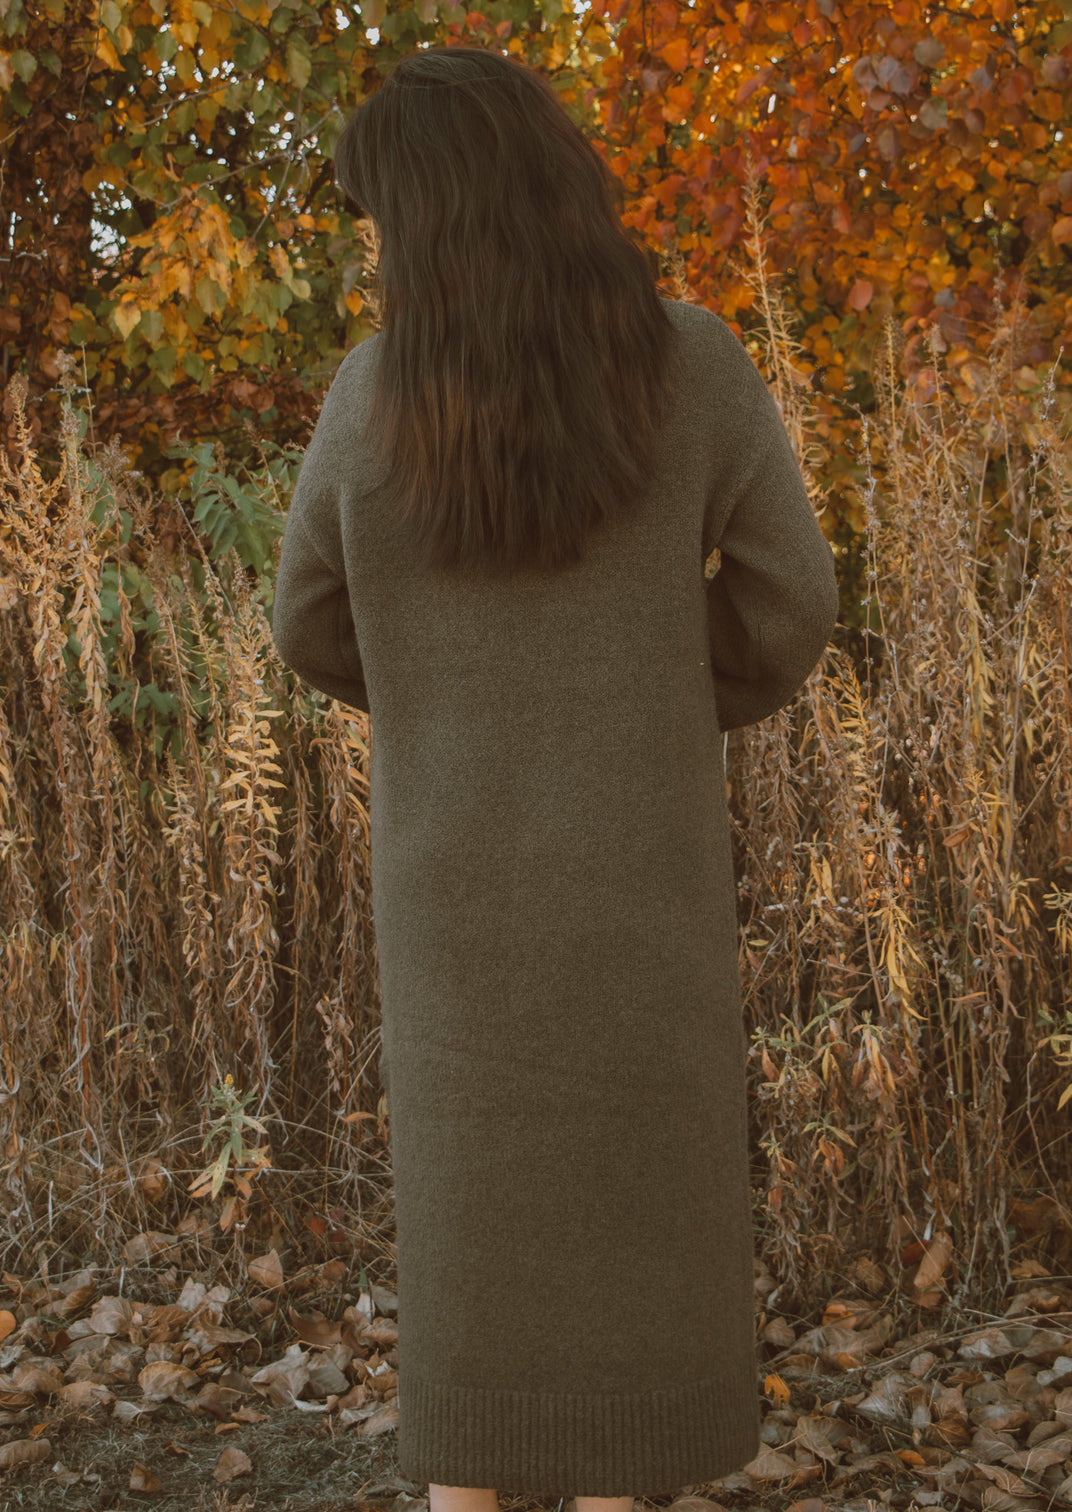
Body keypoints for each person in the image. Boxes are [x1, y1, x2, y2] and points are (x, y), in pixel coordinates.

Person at [271, 41, 838, 1512]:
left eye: (381, 218)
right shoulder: (691, 361)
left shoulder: (367, 396)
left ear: (430, 216)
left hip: (455, 916)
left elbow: (308, 625)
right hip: (638, 898)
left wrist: (449, 704)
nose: (377, 248)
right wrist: (649, 697)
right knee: (640, 1262)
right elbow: (793, 602)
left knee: (481, 1271)